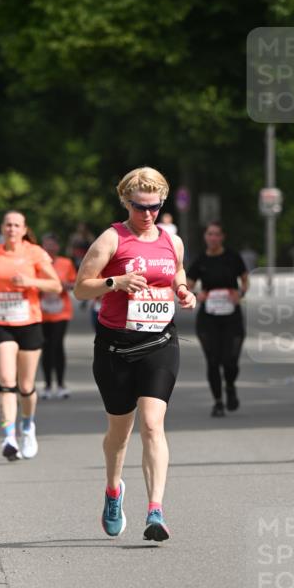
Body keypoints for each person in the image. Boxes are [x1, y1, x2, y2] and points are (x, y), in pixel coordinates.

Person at [74, 166, 196, 542]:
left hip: (160, 343)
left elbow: (176, 272)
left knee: (152, 423)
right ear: (126, 202)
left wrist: (183, 290)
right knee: (119, 433)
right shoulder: (111, 240)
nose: (148, 214)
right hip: (115, 347)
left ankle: (155, 511)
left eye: (155, 206)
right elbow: (81, 288)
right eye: (140, 207)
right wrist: (115, 282)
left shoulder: (171, 240)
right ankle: (113, 490)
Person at [0, 210, 62, 461]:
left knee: (26, 386)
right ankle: (9, 437)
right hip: (0, 321)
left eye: (17, 225)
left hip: (29, 322)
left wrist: (30, 282)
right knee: (7, 381)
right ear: (1, 228)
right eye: (7, 225)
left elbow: (56, 285)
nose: (12, 229)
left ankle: (27, 426)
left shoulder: (35, 253)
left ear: (24, 229)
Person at [186, 222, 249, 417]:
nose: (213, 238)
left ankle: (229, 385)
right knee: (213, 361)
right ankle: (218, 402)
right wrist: (197, 295)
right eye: (210, 234)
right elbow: (187, 284)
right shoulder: (201, 260)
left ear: (222, 237)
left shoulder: (232, 257)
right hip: (208, 318)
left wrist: (240, 293)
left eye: (216, 234)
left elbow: (245, 278)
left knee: (230, 361)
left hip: (232, 316)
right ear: (205, 237)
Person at [40, 233, 77, 399]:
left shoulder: (66, 263)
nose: (49, 249)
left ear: (57, 247)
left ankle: (61, 384)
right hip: (41, 311)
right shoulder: (37, 264)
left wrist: (64, 285)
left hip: (61, 311)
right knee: (45, 347)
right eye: (46, 246)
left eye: (52, 245)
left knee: (57, 345)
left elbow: (74, 283)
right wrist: (42, 287)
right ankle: (47, 385)